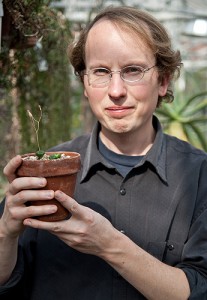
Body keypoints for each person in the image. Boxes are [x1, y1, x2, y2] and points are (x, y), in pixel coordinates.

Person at [0, 5, 207, 300]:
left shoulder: (198, 176)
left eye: (132, 70)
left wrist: (108, 244)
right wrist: (6, 232)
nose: (116, 90)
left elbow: (200, 289)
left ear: (163, 81)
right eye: (100, 72)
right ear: (84, 83)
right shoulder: (48, 172)